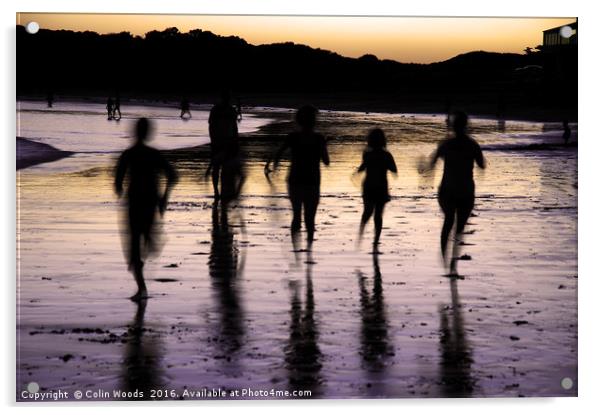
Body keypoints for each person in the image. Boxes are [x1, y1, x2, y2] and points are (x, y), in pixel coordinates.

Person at [114, 118, 178, 301]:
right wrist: (165, 197)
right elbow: (172, 176)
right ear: (148, 133)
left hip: (135, 203)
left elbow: (118, 183)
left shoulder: (128, 155)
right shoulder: (154, 154)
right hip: (150, 202)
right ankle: (142, 284)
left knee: (134, 248)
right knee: (142, 244)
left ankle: (141, 287)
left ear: (135, 132)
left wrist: (120, 187)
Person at [427, 111, 485, 276]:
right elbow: (481, 166)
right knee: (459, 227)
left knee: (448, 221)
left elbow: (430, 165)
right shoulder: (472, 145)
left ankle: (445, 257)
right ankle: (452, 262)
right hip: (465, 190)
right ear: (466, 126)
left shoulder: (445, 144)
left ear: (452, 126)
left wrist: (425, 172)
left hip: (447, 190)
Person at [264, 105, 330, 248]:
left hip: (295, 180)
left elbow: (278, 154)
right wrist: (324, 145)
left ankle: (296, 250)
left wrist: (274, 167)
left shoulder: (293, 137)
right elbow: (326, 161)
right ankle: (309, 250)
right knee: (310, 219)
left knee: (296, 215)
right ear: (313, 121)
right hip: (312, 180)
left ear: (298, 120)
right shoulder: (318, 138)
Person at [357, 128, 397, 250]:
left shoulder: (367, 154)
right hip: (381, 187)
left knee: (367, 212)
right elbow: (394, 170)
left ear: (370, 141)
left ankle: (361, 232)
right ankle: (376, 241)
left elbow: (361, 168)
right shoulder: (387, 155)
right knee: (378, 215)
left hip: (368, 186)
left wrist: (358, 170)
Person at [208, 90, 239, 200]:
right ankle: (217, 191)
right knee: (219, 168)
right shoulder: (218, 110)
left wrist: (235, 141)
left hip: (225, 143)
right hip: (221, 142)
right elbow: (211, 127)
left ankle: (218, 191)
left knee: (221, 169)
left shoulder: (227, 110)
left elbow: (234, 127)